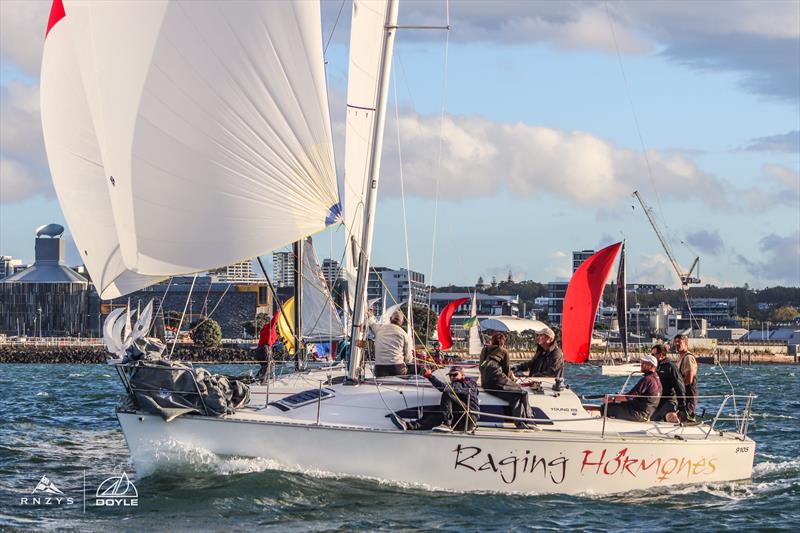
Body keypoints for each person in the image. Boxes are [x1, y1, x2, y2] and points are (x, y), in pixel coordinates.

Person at [390, 366, 479, 433]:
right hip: (460, 418)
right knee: (436, 414)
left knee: (447, 393)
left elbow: (445, 389)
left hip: (469, 417)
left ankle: (447, 424)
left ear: (462, 375)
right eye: (450, 376)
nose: (452, 377)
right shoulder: (458, 385)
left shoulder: (467, 383)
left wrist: (430, 376)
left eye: (455, 375)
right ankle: (409, 425)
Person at [480, 332, 534, 429]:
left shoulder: (484, 350)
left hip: (486, 383)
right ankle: (528, 419)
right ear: (503, 342)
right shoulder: (503, 351)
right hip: (497, 378)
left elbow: (481, 367)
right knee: (522, 392)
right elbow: (507, 369)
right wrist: (513, 382)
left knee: (515, 396)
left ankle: (521, 423)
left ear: (492, 341)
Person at [603, 354, 662, 422]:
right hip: (647, 413)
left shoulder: (648, 379)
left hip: (640, 414)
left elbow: (630, 396)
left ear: (651, 366)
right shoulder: (656, 378)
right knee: (620, 404)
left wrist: (612, 399)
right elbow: (633, 395)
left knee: (607, 407)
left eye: (644, 363)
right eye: (641, 363)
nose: (641, 365)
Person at [369, 310, 414, 377]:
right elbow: (409, 358)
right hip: (397, 369)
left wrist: (370, 315)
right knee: (415, 369)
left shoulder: (379, 328)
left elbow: (371, 324)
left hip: (380, 369)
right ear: (402, 322)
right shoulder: (405, 335)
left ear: (390, 319)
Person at [651, 343, 686, 423]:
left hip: (669, 399)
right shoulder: (655, 367)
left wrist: (682, 406)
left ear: (660, 355)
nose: (651, 356)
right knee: (653, 419)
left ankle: (678, 426)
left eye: (653, 354)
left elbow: (679, 386)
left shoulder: (670, 366)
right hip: (658, 401)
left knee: (670, 415)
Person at [674, 333, 698, 421]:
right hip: (682, 395)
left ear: (686, 343)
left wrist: (676, 388)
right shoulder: (680, 358)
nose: (676, 344)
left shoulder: (688, 358)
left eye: (679, 342)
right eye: (675, 342)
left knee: (686, 417)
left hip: (688, 394)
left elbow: (689, 379)